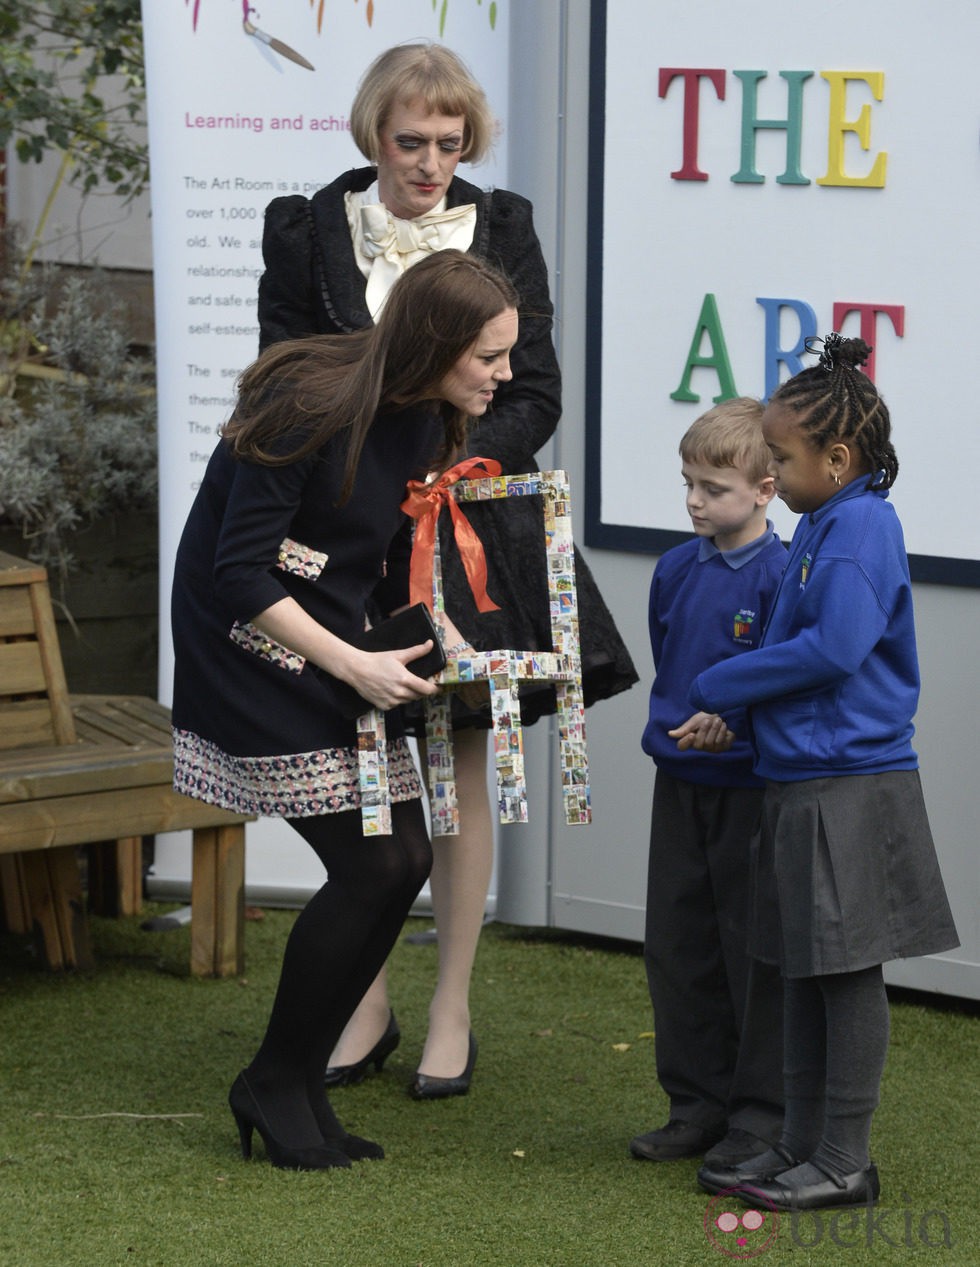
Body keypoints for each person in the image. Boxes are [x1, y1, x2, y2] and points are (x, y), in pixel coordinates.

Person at [258, 40, 637, 1097]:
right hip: (346, 529)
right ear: (372, 133)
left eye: (450, 140)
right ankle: (362, 1001)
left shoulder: (500, 224)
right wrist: (368, 463)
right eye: (410, 140)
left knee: (460, 766)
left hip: (466, 522)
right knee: (362, 764)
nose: (431, 161)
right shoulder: (304, 227)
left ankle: (452, 1006)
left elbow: (536, 388)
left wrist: (460, 462)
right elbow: (281, 374)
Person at [170, 250, 520, 1168]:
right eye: (490, 355)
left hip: (330, 634)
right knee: (374, 861)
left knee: (399, 856)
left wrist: (435, 640)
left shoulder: (429, 415)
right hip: (243, 638)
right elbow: (237, 571)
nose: (506, 375)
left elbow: (365, 551)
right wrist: (357, 666)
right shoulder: (308, 401)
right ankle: (278, 1082)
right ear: (439, 344)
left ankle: (282, 1081)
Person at [674, 335, 959, 1210]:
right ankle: (801, 1142)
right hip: (807, 778)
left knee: (842, 970)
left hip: (850, 783)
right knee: (803, 963)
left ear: (838, 459)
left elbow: (835, 648)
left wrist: (723, 683)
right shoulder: (826, 522)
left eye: (783, 459)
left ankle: (844, 1159)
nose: (772, 470)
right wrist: (747, 705)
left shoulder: (858, 527)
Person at [629, 399, 787, 1169]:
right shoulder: (672, 569)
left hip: (753, 789)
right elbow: (671, 658)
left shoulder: (785, 574)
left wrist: (739, 719)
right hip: (679, 781)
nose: (695, 500)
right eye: (687, 482)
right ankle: (696, 1106)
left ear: (764, 490)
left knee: (751, 950)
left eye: (713, 488)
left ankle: (759, 1117)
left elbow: (792, 680)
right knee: (679, 945)